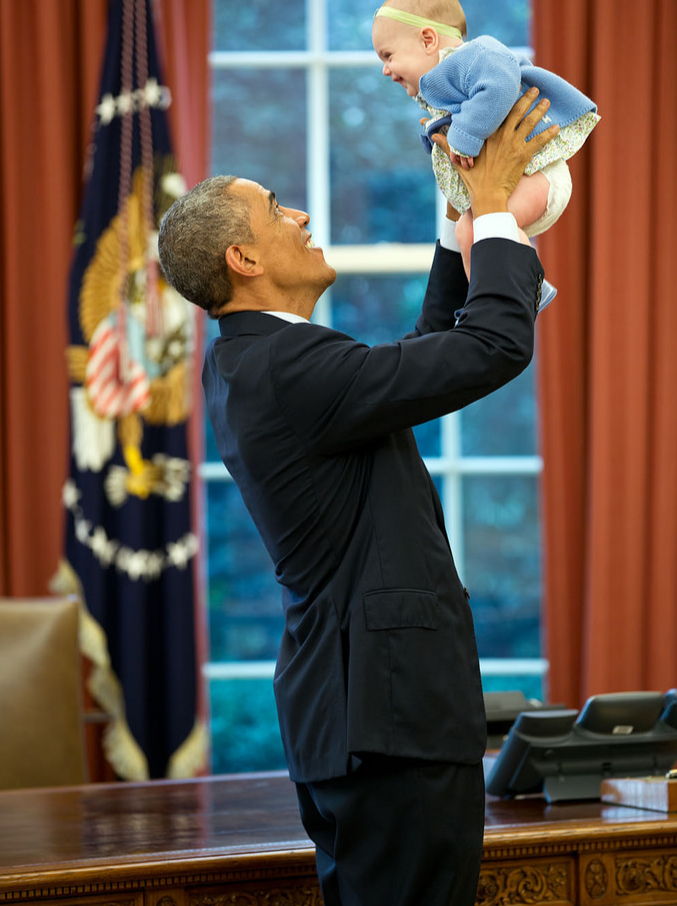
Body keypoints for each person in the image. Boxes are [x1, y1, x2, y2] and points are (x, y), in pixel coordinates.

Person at [157, 90, 558, 906]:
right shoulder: (283, 370)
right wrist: (493, 215)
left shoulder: (266, 362)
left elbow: (416, 357)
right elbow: (488, 348)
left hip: (364, 718)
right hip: (387, 724)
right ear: (243, 258)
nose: (300, 214)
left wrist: (456, 226)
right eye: (275, 209)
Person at [372, 0, 599, 285]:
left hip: (540, 175)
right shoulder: (447, 84)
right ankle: (492, 304)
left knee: (483, 230)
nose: (385, 70)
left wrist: (462, 137)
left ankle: (518, 292)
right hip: (520, 182)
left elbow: (502, 83)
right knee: (468, 232)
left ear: (428, 40)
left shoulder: (476, 55)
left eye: (388, 55)